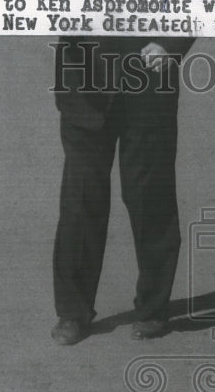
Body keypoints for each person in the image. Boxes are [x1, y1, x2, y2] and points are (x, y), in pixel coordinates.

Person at [50, 35, 195, 345]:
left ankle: (153, 307)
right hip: (85, 82)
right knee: (81, 198)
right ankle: (73, 311)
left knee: (150, 196)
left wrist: (173, 46)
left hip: (149, 81)